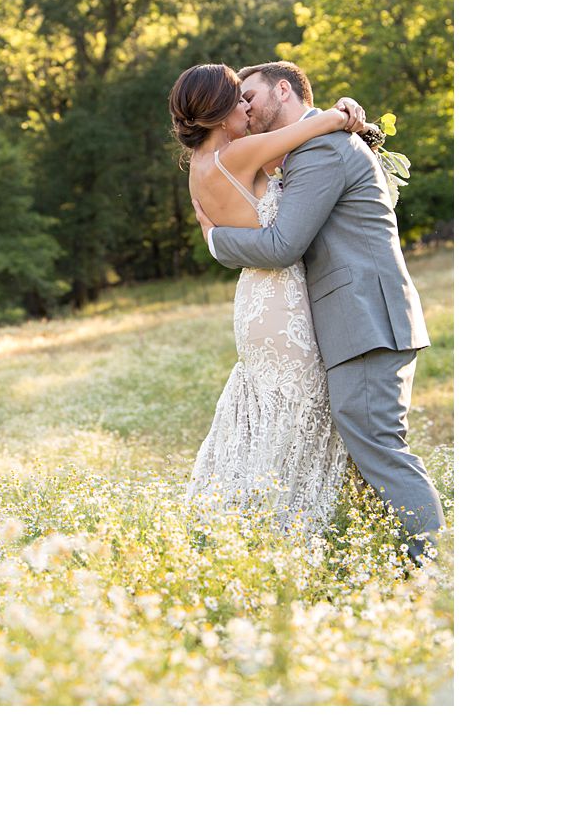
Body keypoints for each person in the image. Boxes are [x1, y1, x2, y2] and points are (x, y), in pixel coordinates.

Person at [191, 59, 443, 566]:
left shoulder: (323, 147)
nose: (245, 106)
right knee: (361, 450)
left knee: (378, 447)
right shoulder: (302, 149)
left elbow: (283, 244)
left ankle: (437, 567)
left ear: (283, 91)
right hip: (349, 320)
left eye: (252, 96)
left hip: (366, 319)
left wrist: (217, 242)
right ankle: (385, 562)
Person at [170, 63, 363, 537]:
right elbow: (319, 125)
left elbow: (221, 238)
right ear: (218, 114)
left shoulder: (200, 169)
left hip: (254, 298)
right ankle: (290, 527)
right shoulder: (241, 154)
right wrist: (347, 111)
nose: (246, 108)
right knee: (304, 413)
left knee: (267, 411)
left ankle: (244, 522)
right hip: (281, 302)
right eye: (238, 101)